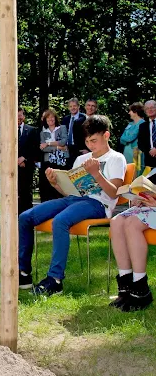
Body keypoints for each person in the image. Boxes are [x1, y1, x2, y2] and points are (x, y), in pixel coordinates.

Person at [19, 115, 126, 296]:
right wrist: (55, 183)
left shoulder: (116, 158)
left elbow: (114, 193)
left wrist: (97, 174)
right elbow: (71, 193)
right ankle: (23, 274)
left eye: (94, 140)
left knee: (60, 221)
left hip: (99, 205)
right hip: (75, 200)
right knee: (25, 217)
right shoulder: (80, 159)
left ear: (106, 135)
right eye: (87, 141)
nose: (91, 145)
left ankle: (55, 280)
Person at [109, 193, 155, 311]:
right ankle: (125, 288)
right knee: (116, 221)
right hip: (149, 206)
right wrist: (139, 198)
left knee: (132, 224)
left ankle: (141, 290)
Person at [38, 109, 68, 202]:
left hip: (61, 161)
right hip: (49, 161)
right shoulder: (42, 132)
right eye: (48, 118)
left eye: (52, 117)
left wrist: (48, 143)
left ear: (55, 118)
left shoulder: (62, 128)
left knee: (61, 184)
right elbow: (43, 148)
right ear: (45, 120)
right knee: (49, 185)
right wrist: (59, 148)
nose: (50, 119)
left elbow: (63, 142)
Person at [17, 109, 38, 214]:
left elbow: (34, 148)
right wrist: (16, 160)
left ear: (23, 117)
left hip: (27, 166)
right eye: (16, 116)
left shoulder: (32, 130)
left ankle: (28, 214)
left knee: (26, 191)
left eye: (20, 116)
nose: (18, 118)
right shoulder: (7, 130)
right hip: (13, 166)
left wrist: (24, 158)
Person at [62, 98, 87, 165]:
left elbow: (87, 134)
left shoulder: (84, 118)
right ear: (68, 108)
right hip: (67, 149)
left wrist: (86, 149)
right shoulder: (65, 119)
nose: (72, 108)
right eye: (70, 106)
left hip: (80, 150)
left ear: (78, 106)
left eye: (74, 106)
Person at [120, 102, 145, 168]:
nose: (129, 113)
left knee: (136, 171)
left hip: (136, 151)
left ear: (135, 111)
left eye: (130, 111)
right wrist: (126, 140)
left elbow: (131, 137)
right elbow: (121, 139)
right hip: (126, 151)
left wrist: (126, 139)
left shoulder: (142, 123)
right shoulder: (130, 124)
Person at [137, 100, 156, 183]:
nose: (150, 110)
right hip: (149, 160)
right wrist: (149, 151)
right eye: (147, 108)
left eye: (152, 107)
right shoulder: (142, 126)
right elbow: (140, 143)